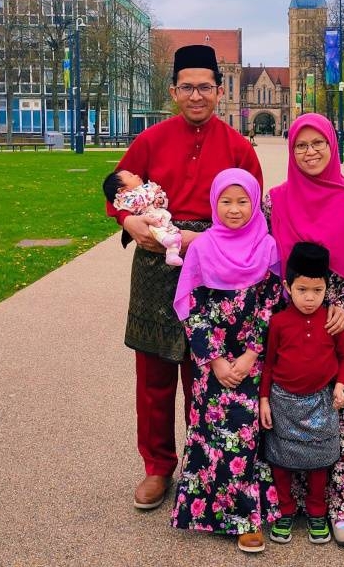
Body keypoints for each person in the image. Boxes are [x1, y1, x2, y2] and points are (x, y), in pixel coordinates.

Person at [105, 44, 263, 512]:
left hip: (214, 269)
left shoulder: (238, 148)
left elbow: (253, 217)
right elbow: (117, 190)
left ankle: (204, 460)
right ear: (174, 91)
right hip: (155, 268)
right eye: (187, 87)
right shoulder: (150, 141)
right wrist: (129, 224)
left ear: (219, 90)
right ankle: (157, 467)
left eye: (206, 87)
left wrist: (201, 241)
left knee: (206, 372)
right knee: (153, 373)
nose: (197, 96)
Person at [263, 112, 344, 547]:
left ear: (332, 146)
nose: (309, 153)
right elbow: (270, 264)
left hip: (336, 322)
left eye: (318, 144)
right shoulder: (276, 200)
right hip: (289, 322)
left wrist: (341, 307)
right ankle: (285, 505)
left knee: (339, 413)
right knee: (284, 413)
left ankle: (340, 507)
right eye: (300, 146)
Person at [170, 168, 283, 553]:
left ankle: (251, 517)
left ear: (255, 204)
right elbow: (191, 307)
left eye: (243, 201)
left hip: (253, 358)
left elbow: (271, 305)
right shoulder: (202, 248)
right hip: (213, 361)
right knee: (212, 430)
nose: (234, 210)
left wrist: (252, 354)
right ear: (214, 204)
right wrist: (215, 359)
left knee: (250, 432)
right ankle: (213, 512)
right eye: (226, 201)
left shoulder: (267, 247)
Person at [260, 241, 344, 546]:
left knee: (319, 462)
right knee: (281, 460)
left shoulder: (332, 322)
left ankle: (316, 512)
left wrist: (340, 385)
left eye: (317, 290)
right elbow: (269, 365)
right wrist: (264, 400)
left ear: (327, 288)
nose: (310, 298)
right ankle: (285, 510)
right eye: (302, 290)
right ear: (288, 287)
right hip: (283, 402)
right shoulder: (279, 323)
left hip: (320, 402)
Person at [102, 170, 183, 266]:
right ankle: (166, 240)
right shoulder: (126, 198)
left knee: (172, 230)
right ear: (122, 190)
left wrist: (160, 199)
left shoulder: (146, 188)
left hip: (160, 215)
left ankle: (172, 254)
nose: (136, 175)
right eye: (131, 176)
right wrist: (152, 194)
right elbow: (138, 203)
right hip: (148, 220)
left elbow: (162, 200)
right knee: (156, 229)